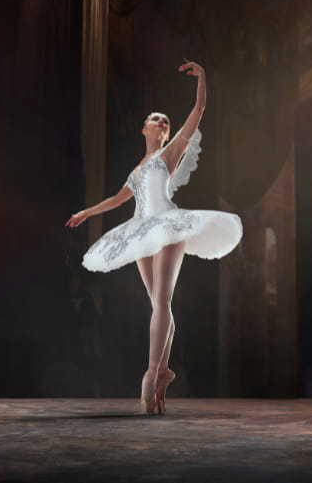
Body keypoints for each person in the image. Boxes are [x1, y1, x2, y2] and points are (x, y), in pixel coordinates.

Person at [65, 61, 243, 415]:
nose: (161, 122)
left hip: (168, 225)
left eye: (166, 121)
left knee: (162, 302)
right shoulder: (135, 171)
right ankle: (162, 373)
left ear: (166, 133)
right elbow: (117, 200)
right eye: (155, 119)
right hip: (140, 230)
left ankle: (150, 375)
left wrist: (203, 77)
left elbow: (199, 109)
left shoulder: (170, 153)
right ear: (144, 128)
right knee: (159, 306)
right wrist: (87, 212)